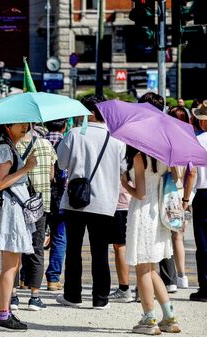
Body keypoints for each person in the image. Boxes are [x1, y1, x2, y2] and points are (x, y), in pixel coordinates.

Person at [56, 95, 126, 309]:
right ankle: (100, 298)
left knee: (74, 249)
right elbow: (123, 170)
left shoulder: (75, 134)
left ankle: (73, 295)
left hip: (75, 201)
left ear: (89, 113)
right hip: (105, 202)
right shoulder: (117, 139)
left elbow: (61, 163)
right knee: (100, 252)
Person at [121, 152, 182, 334]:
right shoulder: (165, 155)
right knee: (151, 268)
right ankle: (169, 316)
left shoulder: (139, 157)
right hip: (160, 214)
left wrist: (125, 184)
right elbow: (176, 177)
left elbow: (140, 194)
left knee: (142, 268)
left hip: (143, 213)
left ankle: (149, 319)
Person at [0, 123, 38, 331]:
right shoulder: (4, 148)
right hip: (11, 213)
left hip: (15, 211)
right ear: (8, 125)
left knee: (14, 265)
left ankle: (7, 311)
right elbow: (1, 183)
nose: (26, 127)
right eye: (22, 124)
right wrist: (27, 168)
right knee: (10, 267)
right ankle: (3, 315)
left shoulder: (10, 146)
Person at [12, 126, 57, 310]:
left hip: (19, 203)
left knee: (15, 248)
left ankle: (13, 296)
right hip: (40, 204)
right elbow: (52, 175)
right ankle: (34, 297)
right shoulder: (47, 145)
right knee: (37, 249)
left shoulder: (14, 145)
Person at [139, 92, 178, 293]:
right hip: (162, 196)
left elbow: (137, 184)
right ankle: (169, 281)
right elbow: (177, 176)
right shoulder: (168, 135)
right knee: (162, 241)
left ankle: (145, 292)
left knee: (144, 254)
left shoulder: (138, 138)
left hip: (143, 201)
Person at [183, 103, 207, 302]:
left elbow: (191, 173)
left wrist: (185, 198)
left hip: (204, 194)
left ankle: (205, 287)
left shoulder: (197, 141)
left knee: (204, 244)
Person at [165, 106, 190, 290]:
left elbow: (173, 169)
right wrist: (187, 199)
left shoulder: (169, 140)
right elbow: (193, 172)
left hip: (170, 192)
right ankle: (181, 276)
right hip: (184, 193)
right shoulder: (189, 139)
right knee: (178, 236)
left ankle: (171, 278)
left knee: (169, 235)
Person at [43, 119, 67, 291]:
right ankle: (53, 279)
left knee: (35, 238)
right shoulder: (67, 143)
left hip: (40, 196)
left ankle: (26, 278)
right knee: (59, 238)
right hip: (60, 199)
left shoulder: (39, 142)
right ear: (64, 126)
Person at [108, 150, 134, 303]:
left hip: (120, 204)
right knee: (133, 246)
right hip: (136, 204)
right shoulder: (141, 155)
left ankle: (124, 288)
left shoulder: (121, 155)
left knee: (120, 246)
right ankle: (142, 286)